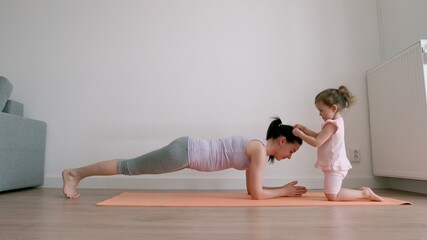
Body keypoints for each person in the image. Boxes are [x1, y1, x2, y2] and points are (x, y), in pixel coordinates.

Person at [62, 117, 308, 200]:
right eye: (292, 152)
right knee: (129, 167)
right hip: (184, 152)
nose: (289, 157)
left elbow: (250, 189)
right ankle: (75, 173)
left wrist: (279, 189)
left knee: (130, 167)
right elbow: (256, 195)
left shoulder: (257, 149)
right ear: (283, 141)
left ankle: (76, 173)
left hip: (185, 150)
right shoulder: (258, 151)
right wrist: (283, 192)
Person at [292, 86, 383, 201]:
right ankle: (363, 193)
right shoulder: (335, 122)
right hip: (332, 164)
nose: (320, 114)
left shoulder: (332, 125)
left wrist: (300, 135)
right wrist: (305, 130)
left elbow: (317, 142)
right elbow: (319, 136)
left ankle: (365, 193)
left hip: (334, 165)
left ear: (334, 108)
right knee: (331, 193)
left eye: (321, 110)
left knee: (332, 196)